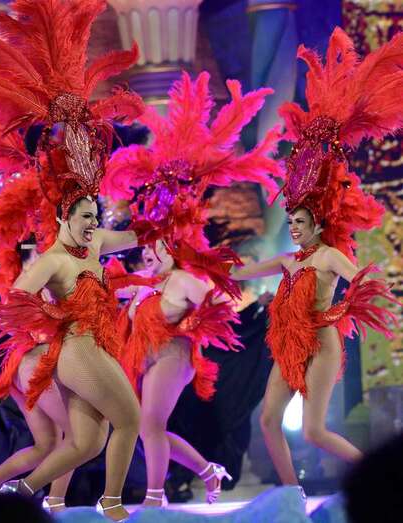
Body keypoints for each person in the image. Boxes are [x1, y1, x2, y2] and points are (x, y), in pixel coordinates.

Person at [0, 2, 148, 519]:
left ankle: (19, 498)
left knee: (86, 443)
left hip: (94, 347)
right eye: (84, 216)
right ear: (63, 216)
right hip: (75, 350)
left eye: (95, 214)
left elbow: (135, 235)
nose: (92, 222)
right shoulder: (51, 258)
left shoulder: (95, 244)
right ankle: (113, 505)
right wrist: (53, 322)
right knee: (129, 420)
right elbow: (14, 299)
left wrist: (166, 211)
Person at [231, 28, 403, 496]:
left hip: (322, 344)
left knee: (313, 431)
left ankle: (383, 480)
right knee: (268, 420)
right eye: (290, 221)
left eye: (300, 221)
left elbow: (363, 280)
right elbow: (240, 272)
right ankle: (293, 496)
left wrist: (342, 311)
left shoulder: (329, 254)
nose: (293, 227)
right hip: (290, 345)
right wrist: (210, 266)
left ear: (316, 222)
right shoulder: (289, 261)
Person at [103, 71, 282, 506]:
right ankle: (206, 470)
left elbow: (220, 303)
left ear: (174, 249)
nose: (150, 255)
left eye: (158, 248)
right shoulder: (145, 284)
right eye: (146, 249)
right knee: (146, 428)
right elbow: (106, 296)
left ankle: (155, 498)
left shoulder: (185, 279)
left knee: (149, 425)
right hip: (144, 358)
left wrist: (203, 316)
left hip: (175, 356)